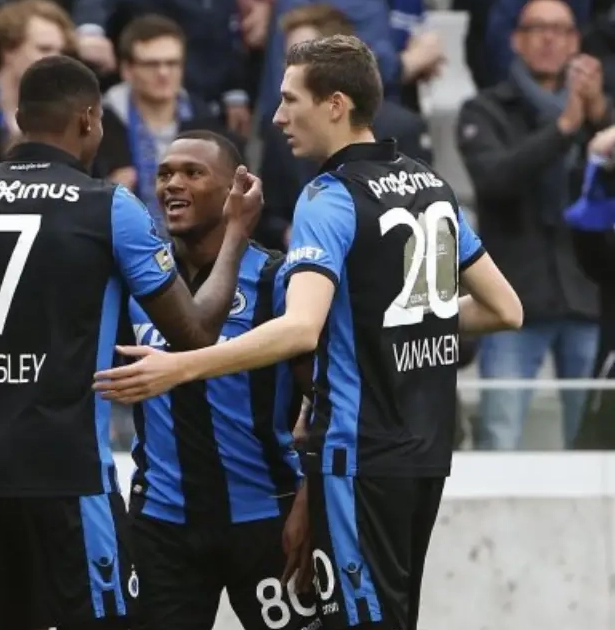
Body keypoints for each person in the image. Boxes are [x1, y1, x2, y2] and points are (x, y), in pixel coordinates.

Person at [94, 35, 524, 630]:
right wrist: (379, 321)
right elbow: (504, 309)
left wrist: (179, 365)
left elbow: (300, 330)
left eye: (290, 100)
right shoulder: (430, 184)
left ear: (335, 104)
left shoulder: (328, 195)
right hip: (423, 452)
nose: (277, 117)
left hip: (356, 455)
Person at [0, 55, 261, 630]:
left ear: (20, 118)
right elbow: (195, 334)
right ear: (90, 119)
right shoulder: (106, 206)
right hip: (67, 472)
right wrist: (237, 234)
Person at [125, 129, 311, 630]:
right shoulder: (138, 281)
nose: (172, 184)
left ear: (235, 191)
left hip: (267, 519)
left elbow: (324, 397)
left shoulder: (276, 279)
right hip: (163, 526)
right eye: (165, 174)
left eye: (193, 172)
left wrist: (308, 502)